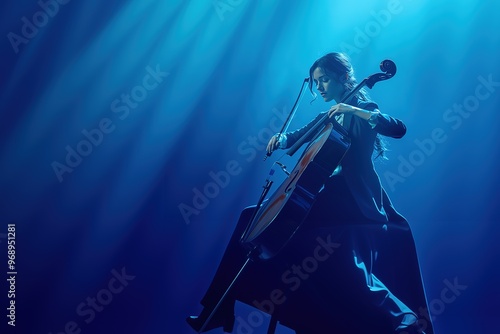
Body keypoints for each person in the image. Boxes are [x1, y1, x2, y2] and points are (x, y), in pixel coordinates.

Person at [187, 52, 434, 334]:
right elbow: (299, 135)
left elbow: (398, 128)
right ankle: (218, 307)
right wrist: (282, 139)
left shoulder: (363, 107)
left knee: (287, 236)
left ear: (343, 77)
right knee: (249, 219)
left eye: (325, 80)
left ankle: (403, 320)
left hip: (353, 201)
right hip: (326, 197)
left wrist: (353, 110)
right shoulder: (328, 113)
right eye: (316, 83)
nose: (320, 88)